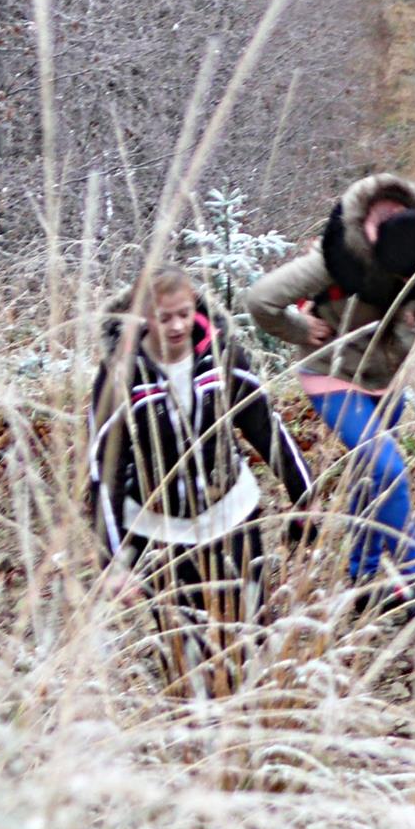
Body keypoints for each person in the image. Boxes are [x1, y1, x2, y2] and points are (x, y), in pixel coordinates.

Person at [246, 172, 415, 622]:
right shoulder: (333, 260)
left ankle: (364, 579)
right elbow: (260, 300)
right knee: (387, 469)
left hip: (386, 376)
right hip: (331, 373)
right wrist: (302, 329)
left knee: (370, 482)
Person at [88, 264, 315, 691]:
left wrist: (306, 495)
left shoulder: (223, 354)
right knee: (185, 649)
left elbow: (266, 426)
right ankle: (197, 736)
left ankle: (252, 724)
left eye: (183, 313)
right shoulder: (120, 374)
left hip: (232, 514)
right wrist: (113, 559)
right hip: (163, 532)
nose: (177, 326)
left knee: (250, 630)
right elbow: (104, 468)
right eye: (164, 317)